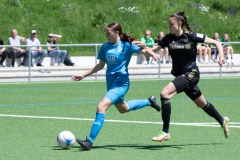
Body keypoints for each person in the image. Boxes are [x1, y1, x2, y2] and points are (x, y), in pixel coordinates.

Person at [135, 11, 229, 142]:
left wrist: (220, 57)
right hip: (182, 76)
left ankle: (165, 132)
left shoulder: (192, 36)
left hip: (192, 73)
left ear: (180, 23)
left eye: (171, 24)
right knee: (203, 104)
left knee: (164, 93)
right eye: (168, 24)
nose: (169, 26)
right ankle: (222, 120)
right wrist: (143, 47)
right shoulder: (168, 38)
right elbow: (150, 52)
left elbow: (217, 43)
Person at [71, 22, 161, 151]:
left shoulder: (127, 45)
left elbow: (145, 52)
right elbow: (100, 66)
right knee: (124, 108)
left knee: (101, 107)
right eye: (106, 33)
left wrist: (153, 53)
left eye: (109, 33)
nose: (106, 35)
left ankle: (89, 141)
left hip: (121, 83)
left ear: (116, 33)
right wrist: (83, 75)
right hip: (111, 83)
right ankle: (149, 101)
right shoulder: (105, 47)